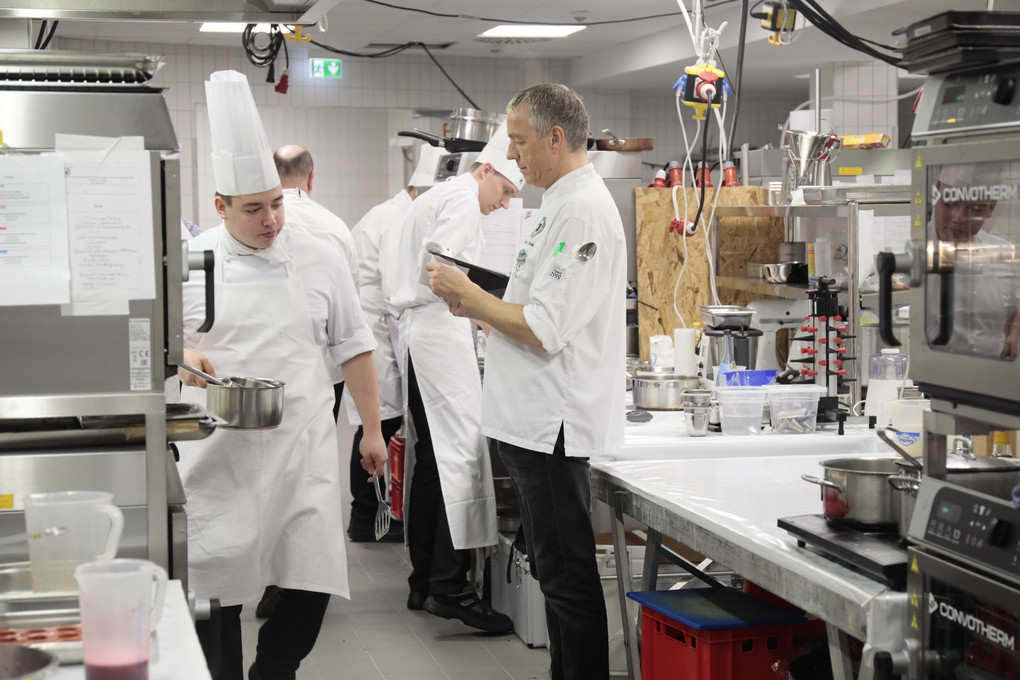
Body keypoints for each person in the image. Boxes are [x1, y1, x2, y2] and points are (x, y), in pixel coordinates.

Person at [177, 70, 387, 680]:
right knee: (214, 580)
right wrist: (183, 360)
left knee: (312, 574)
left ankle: (275, 668)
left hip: (302, 442)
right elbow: (158, 345)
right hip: (219, 450)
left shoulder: (319, 256)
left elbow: (355, 346)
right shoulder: (190, 262)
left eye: (276, 203)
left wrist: (372, 429)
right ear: (220, 207)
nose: (272, 220)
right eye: (254, 209)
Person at [427, 83, 625, 680]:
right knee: (552, 570)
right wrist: (481, 305)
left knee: (566, 577)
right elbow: (530, 307)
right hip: (529, 422)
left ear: (555, 137)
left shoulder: (583, 209)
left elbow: (544, 328)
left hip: (551, 426)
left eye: (519, 141)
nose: (512, 156)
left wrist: (471, 295)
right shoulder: (558, 204)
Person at [386, 122, 522, 633]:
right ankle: (451, 586)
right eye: (504, 191)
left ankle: (423, 580)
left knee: (432, 460)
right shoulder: (463, 200)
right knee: (462, 455)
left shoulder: (441, 196)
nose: (504, 203)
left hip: (421, 332)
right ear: (485, 170)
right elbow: (444, 274)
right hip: (438, 332)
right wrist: (493, 318)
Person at [341, 144, 446, 543]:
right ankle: (365, 518)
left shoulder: (393, 212)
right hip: (376, 336)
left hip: (379, 331)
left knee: (379, 424)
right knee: (377, 426)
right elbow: (396, 290)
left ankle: (371, 514)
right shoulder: (398, 219)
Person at [926, 162, 1020, 359]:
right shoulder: (910, 250)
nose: (958, 218)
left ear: (991, 207)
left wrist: (1015, 332)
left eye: (975, 208)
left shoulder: (1004, 254)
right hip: (928, 373)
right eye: (949, 203)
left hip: (990, 374)